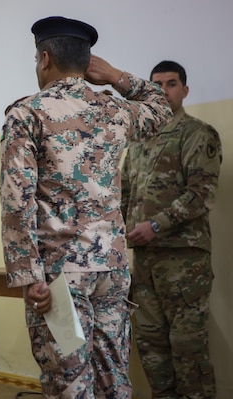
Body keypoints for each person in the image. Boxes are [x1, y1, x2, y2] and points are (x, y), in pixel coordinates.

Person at [0, 16, 172, 398]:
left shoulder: (27, 113)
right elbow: (160, 107)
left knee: (70, 382)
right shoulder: (115, 110)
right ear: (86, 60)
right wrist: (117, 76)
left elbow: (17, 200)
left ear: (44, 58)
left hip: (62, 278)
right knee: (114, 377)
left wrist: (28, 276)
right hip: (112, 267)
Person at [121, 61, 221, 399]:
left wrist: (155, 225)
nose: (164, 91)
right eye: (157, 84)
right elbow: (123, 196)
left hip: (184, 261)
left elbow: (201, 194)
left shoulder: (198, 134)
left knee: (188, 349)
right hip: (145, 263)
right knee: (151, 347)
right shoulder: (137, 141)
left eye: (172, 83)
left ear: (185, 90)